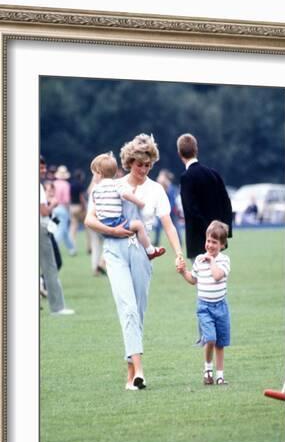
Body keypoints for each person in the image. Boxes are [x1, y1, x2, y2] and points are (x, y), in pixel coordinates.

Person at [85, 134, 184, 390]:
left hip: (141, 253)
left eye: (148, 165)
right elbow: (89, 220)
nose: (144, 169)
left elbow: (169, 225)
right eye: (139, 164)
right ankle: (139, 371)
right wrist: (115, 232)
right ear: (129, 162)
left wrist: (179, 253)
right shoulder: (112, 185)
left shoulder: (156, 190)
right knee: (127, 308)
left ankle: (131, 374)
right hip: (115, 251)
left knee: (137, 312)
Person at [177, 220, 231, 385]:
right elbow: (193, 280)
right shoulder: (199, 260)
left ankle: (220, 375)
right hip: (204, 307)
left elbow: (216, 276)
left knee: (220, 343)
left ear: (222, 245)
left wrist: (212, 260)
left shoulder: (224, 261)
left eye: (214, 242)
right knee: (210, 339)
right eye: (208, 240)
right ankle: (208, 369)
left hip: (221, 307)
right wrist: (183, 272)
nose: (210, 245)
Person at [90, 152, 166, 260]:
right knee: (138, 225)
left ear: (99, 173)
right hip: (115, 222)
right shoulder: (116, 185)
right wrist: (139, 202)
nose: (93, 177)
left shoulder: (95, 189)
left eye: (93, 174)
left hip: (102, 224)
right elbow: (126, 194)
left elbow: (95, 202)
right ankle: (150, 250)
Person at [177, 133, 232, 260]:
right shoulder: (214, 174)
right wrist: (223, 234)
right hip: (218, 241)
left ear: (179, 153)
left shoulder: (186, 178)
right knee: (217, 277)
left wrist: (208, 235)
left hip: (199, 240)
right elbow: (226, 203)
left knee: (203, 279)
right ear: (196, 150)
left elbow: (192, 209)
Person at [40, 181, 74, 316]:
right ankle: (57, 307)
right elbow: (43, 212)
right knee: (51, 267)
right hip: (43, 230)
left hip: (47, 229)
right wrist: (52, 204)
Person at [153, 169, 182, 247]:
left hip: (172, 211)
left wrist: (168, 210)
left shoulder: (170, 188)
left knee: (176, 227)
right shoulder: (160, 188)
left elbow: (172, 201)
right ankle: (156, 242)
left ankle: (180, 243)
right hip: (163, 211)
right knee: (158, 226)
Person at [53, 165, 77, 256]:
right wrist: (68, 210)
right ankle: (54, 247)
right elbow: (67, 200)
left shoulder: (54, 183)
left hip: (54, 208)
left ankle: (72, 249)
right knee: (61, 230)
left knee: (64, 230)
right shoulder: (66, 185)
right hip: (62, 208)